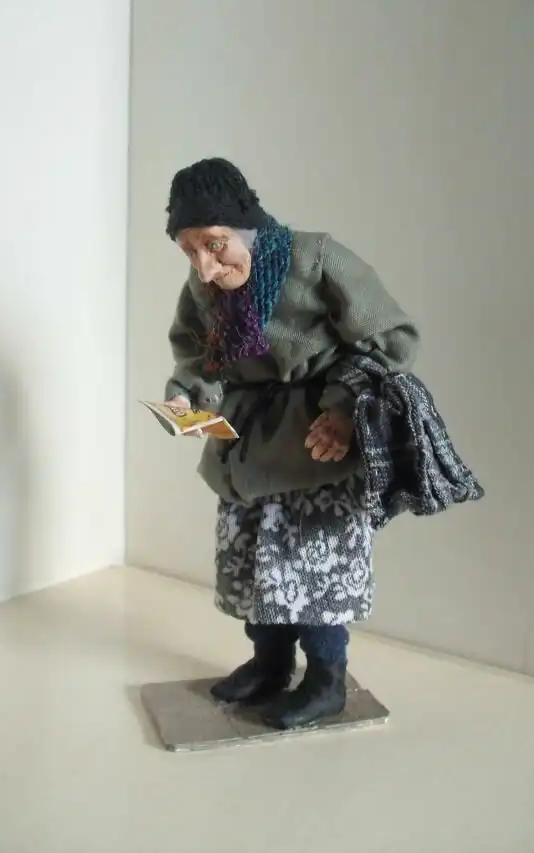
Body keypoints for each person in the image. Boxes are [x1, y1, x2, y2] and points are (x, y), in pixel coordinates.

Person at [164, 157, 420, 730]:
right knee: (254, 553)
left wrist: (344, 409)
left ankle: (326, 679)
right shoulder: (205, 285)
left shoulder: (315, 259)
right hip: (247, 441)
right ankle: (270, 663)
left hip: (317, 440)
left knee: (312, 564)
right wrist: (187, 399)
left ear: (245, 226)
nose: (205, 265)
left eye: (215, 244)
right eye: (189, 250)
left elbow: (390, 339)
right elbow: (197, 354)